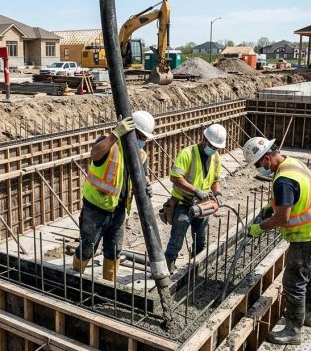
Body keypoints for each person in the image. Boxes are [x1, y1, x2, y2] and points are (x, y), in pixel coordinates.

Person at [242, 136, 311, 345]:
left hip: (308, 236)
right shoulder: (291, 163)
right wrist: (270, 207)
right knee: (308, 276)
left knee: (293, 283)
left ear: (266, 159)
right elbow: (295, 197)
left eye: (258, 164)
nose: (258, 169)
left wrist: (259, 228)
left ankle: (293, 331)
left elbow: (283, 218)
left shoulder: (283, 180)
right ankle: (307, 316)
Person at [73, 110, 155, 281]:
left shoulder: (141, 155)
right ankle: (74, 277)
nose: (142, 142)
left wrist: (147, 184)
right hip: (95, 208)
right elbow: (94, 154)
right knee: (88, 248)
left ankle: (108, 285)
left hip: (118, 210)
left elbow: (143, 175)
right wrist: (115, 135)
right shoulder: (109, 145)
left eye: (144, 139)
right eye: (140, 137)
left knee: (114, 250)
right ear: (130, 133)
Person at [163, 124, 227, 273]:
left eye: (216, 147)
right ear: (203, 139)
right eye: (211, 145)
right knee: (176, 239)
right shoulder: (187, 153)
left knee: (201, 240)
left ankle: (196, 268)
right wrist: (195, 190)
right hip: (182, 204)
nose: (213, 149)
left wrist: (216, 193)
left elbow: (215, 180)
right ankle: (168, 267)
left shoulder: (216, 158)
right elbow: (175, 177)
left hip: (202, 206)